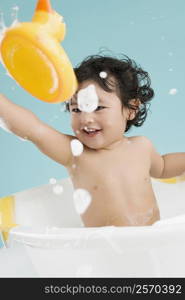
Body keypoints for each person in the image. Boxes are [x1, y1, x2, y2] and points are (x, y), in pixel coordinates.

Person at [1, 54, 185, 227]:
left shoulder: (141, 146)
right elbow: (33, 130)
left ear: (132, 108)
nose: (86, 118)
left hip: (155, 242)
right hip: (107, 250)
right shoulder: (75, 154)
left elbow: (162, 166)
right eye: (76, 109)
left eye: (98, 107)